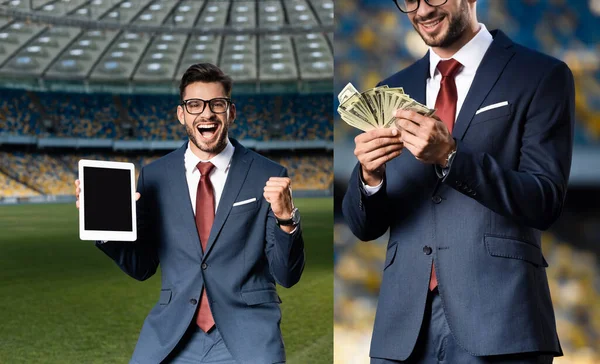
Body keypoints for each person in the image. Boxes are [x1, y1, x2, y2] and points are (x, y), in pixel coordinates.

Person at [342, 0, 574, 363]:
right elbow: (364, 227)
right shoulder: (392, 88)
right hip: (402, 332)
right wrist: (370, 178)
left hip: (501, 325)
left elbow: (544, 201)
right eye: (409, 0)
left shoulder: (540, 75)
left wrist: (451, 156)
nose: (421, 10)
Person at [75, 63, 305, 364]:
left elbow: (286, 275)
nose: (206, 113)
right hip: (173, 334)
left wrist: (286, 220)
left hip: (245, 334)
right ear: (181, 114)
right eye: (195, 105)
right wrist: (104, 226)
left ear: (231, 112)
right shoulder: (154, 176)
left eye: (217, 104)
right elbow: (141, 267)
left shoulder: (268, 174)